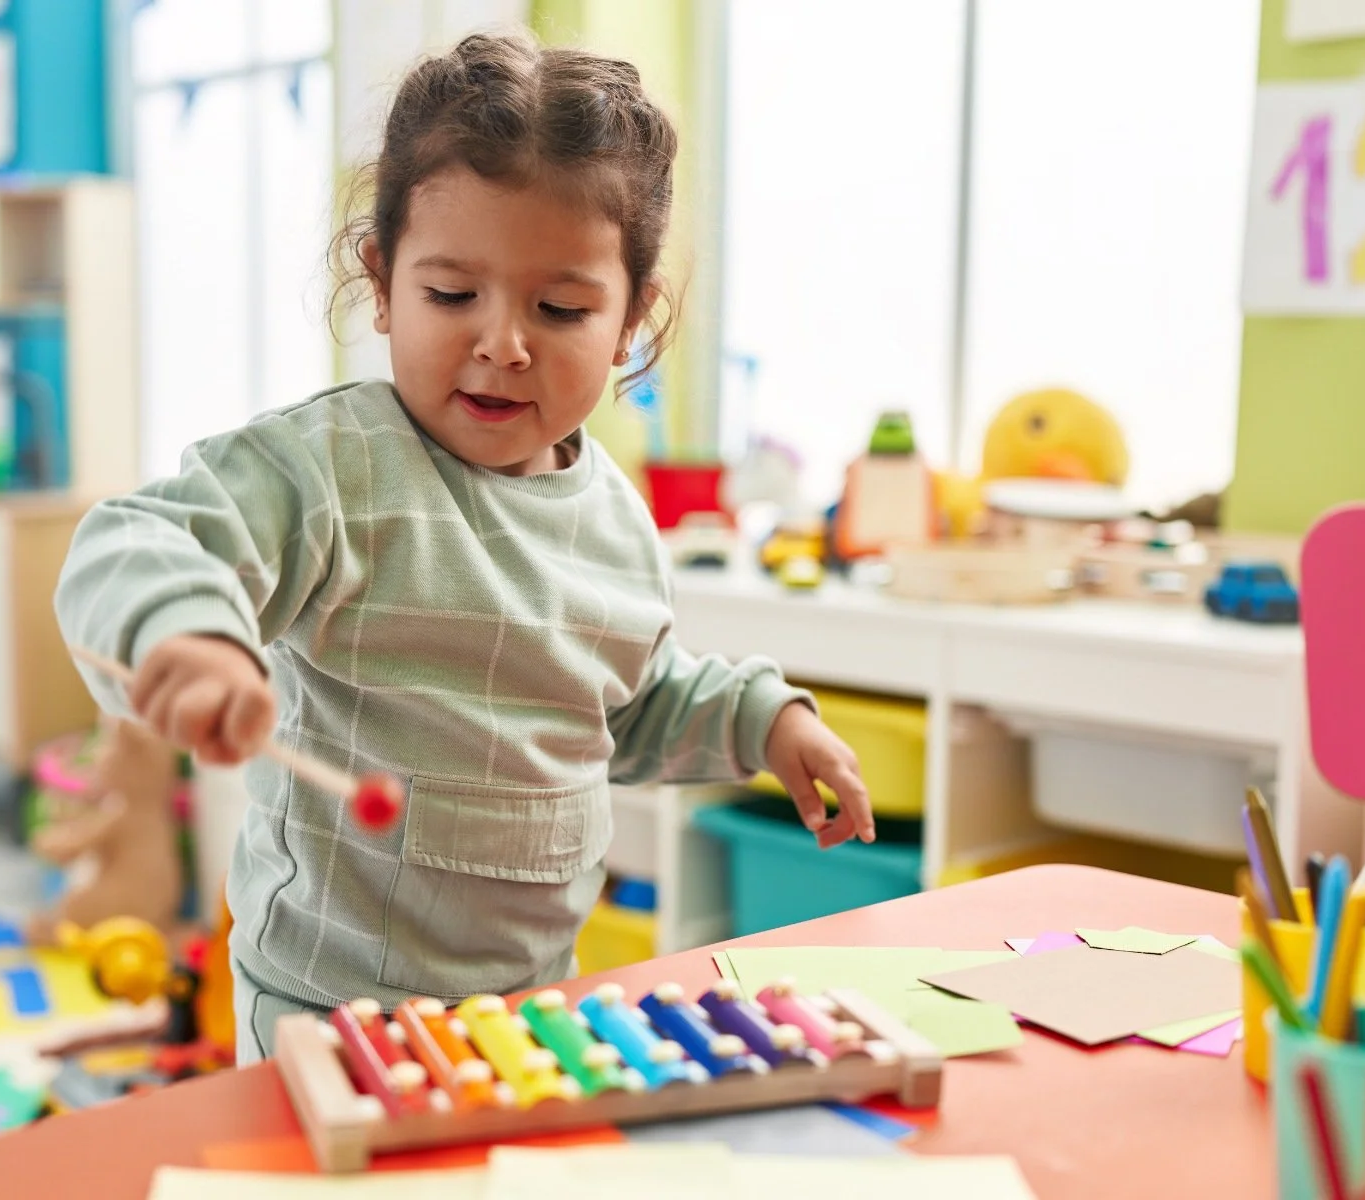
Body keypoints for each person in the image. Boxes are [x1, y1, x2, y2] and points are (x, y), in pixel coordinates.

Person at [56, 30, 873, 1065]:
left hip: (529, 1012)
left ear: (630, 320)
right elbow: (139, 539)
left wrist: (764, 722)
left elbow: (623, 709)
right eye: (451, 296)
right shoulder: (331, 471)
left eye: (562, 307)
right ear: (381, 277)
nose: (502, 342)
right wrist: (185, 633)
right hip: (324, 1008)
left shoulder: (616, 524)